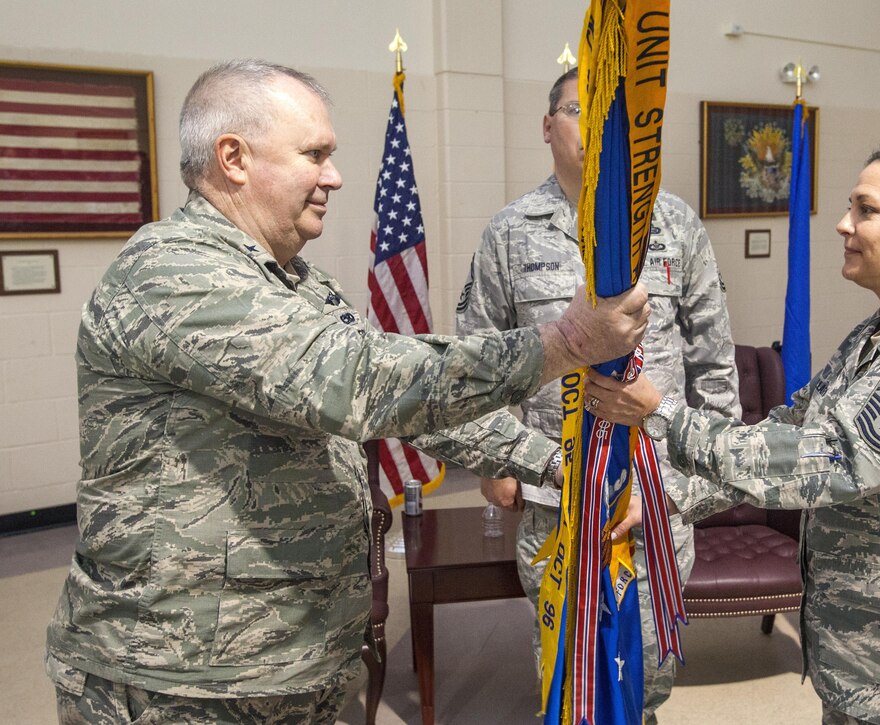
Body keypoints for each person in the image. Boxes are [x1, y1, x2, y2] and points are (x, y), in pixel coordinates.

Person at [44, 59, 651, 724]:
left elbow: (411, 411)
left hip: (294, 666)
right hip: (180, 684)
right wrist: (560, 344)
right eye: (315, 154)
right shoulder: (171, 271)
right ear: (233, 158)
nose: (333, 175)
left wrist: (561, 465)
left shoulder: (296, 282)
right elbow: (355, 381)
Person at [587, 141, 880, 724]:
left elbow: (827, 462)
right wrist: (672, 499)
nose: (844, 224)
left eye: (867, 210)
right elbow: (786, 433)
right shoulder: (879, 333)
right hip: (867, 665)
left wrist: (662, 413)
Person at [455, 67, 741, 722]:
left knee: (648, 667)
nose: (601, 128)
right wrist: (495, 460)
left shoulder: (676, 225)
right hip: (553, 488)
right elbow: (479, 353)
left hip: (655, 489)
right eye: (582, 110)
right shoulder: (510, 231)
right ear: (548, 125)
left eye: (620, 114)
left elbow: (714, 360)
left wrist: (701, 469)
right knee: (563, 656)